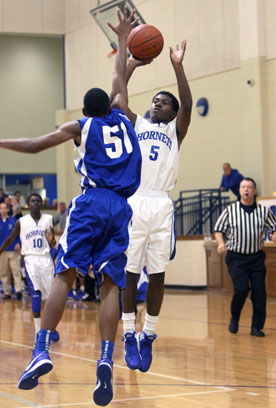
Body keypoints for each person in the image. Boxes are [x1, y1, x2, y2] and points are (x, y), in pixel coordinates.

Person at [0, 7, 141, 407]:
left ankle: (41, 350)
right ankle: (105, 358)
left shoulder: (83, 126)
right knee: (112, 283)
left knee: (65, 274)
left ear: (83, 112)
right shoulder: (126, 119)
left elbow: (32, 146)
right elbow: (120, 77)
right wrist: (127, 41)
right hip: (121, 208)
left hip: (92, 202)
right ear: (112, 104)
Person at [114, 39, 192, 372]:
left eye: (162, 103)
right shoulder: (139, 125)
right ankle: (129, 333)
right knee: (130, 273)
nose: (155, 104)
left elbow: (187, 102)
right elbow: (118, 98)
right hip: (137, 199)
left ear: (172, 113)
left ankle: (149, 335)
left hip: (161, 203)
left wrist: (177, 65)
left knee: (157, 275)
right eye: (154, 101)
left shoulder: (176, 131)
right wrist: (131, 65)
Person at [214, 177, 276, 337]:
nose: (246, 189)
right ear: (240, 191)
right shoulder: (230, 210)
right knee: (241, 289)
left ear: (254, 191)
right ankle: (235, 318)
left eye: (249, 187)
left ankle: (256, 327)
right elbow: (218, 229)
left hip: (256, 258)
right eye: (243, 187)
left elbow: (274, 227)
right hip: (236, 258)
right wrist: (221, 243)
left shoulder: (263, 211)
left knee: (259, 292)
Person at [0, 194, 59, 341]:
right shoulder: (22, 221)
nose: (36, 203)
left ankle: (51, 328)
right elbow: (10, 238)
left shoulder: (48, 219)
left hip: (46, 259)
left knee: (51, 298)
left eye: (38, 201)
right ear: (27, 204)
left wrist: (51, 241)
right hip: (30, 259)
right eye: (32, 201)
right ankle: (38, 331)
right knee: (36, 292)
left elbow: (52, 242)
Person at [0, 202, 22, 299]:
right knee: (3, 272)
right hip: (2, 251)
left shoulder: (14, 221)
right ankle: (6, 292)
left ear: (8, 209)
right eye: (1, 208)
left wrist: (19, 243)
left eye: (5, 208)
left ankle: (18, 291)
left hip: (14, 250)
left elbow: (21, 233)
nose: (3, 210)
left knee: (16, 270)